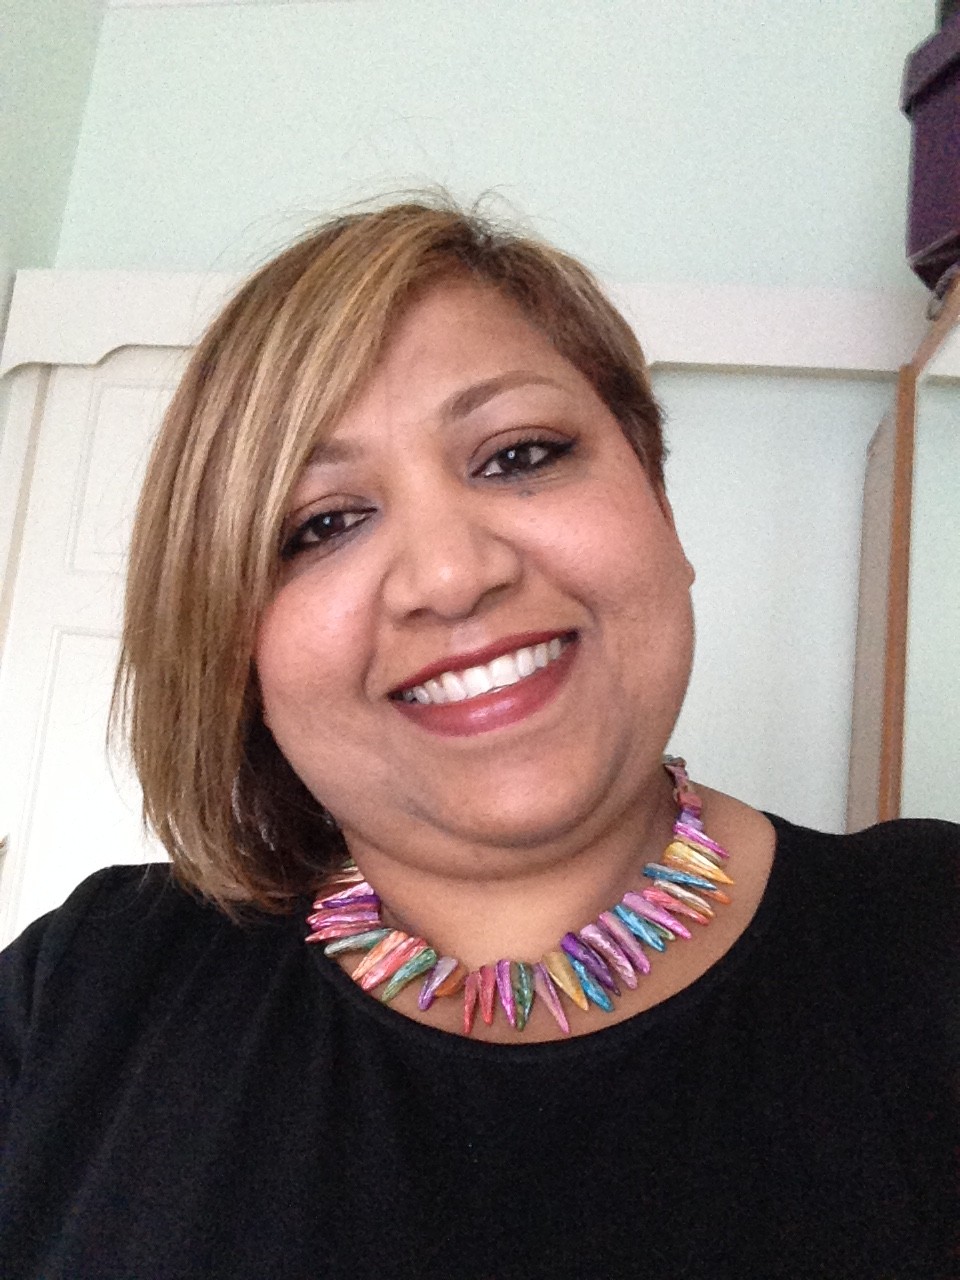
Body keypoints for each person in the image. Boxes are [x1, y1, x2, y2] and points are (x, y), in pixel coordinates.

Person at [0, 199, 955, 1280]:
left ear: (659, 500)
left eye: (519, 454)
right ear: (232, 648)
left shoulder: (932, 933)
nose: (452, 575)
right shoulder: (86, 987)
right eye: (322, 524)